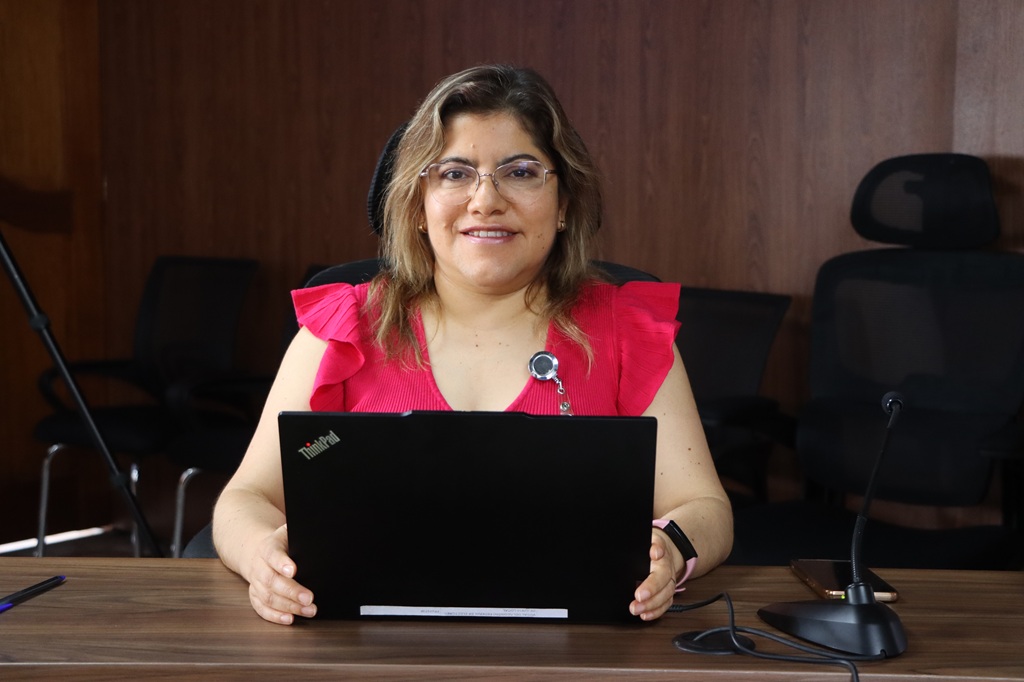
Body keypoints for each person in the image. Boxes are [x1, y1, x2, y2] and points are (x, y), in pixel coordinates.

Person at [212, 63, 733, 625]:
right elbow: (244, 501)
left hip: (583, 650)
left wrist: (673, 547)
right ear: (417, 205)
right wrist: (260, 557)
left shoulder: (630, 335)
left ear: (563, 205)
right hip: (361, 648)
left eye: (522, 172)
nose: (485, 200)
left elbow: (705, 509)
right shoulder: (340, 332)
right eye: (455, 174)